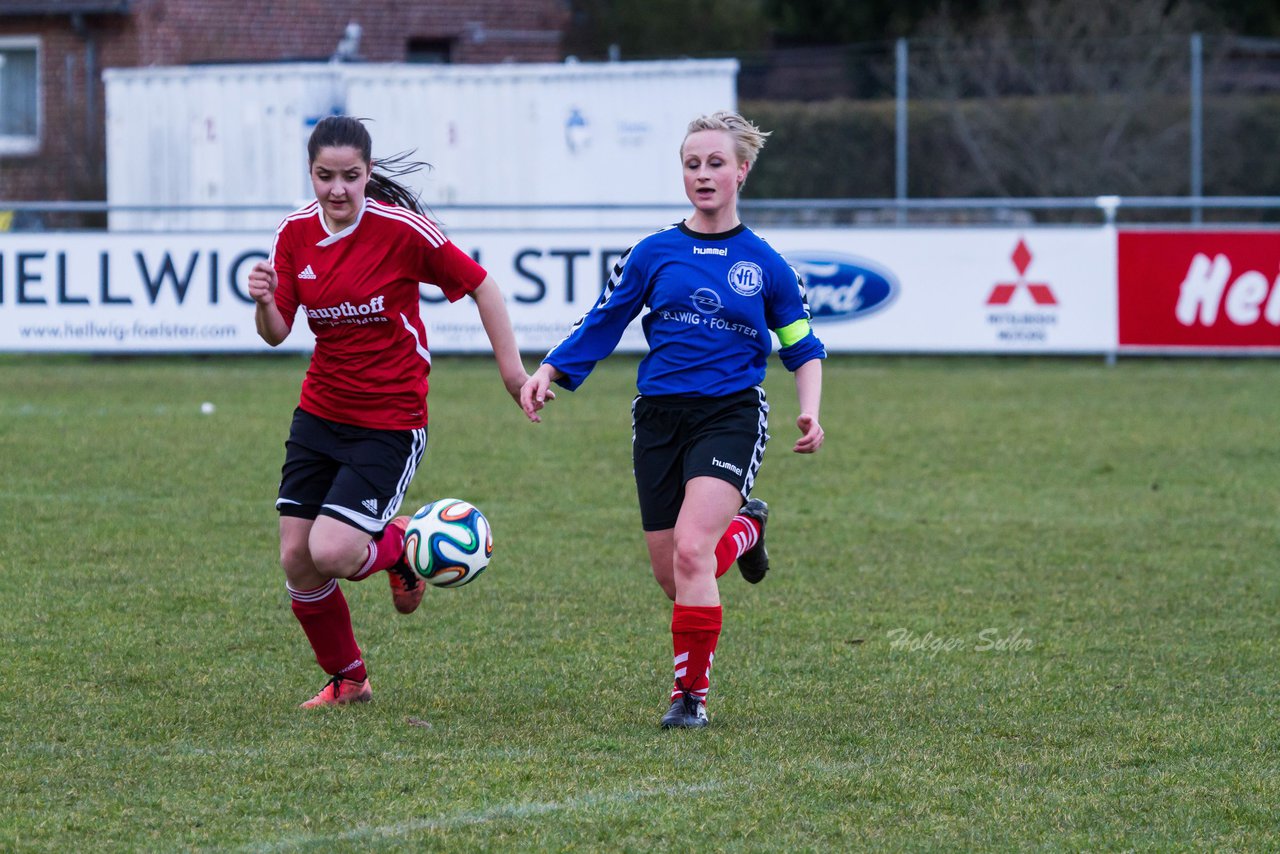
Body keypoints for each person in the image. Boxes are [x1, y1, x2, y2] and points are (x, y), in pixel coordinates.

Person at [520, 111, 826, 729]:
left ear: (742, 170)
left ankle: (689, 699)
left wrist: (809, 411)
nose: (704, 174)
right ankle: (746, 531)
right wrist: (549, 371)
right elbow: (604, 320)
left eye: (717, 163)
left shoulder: (767, 264)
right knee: (676, 575)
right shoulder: (653, 252)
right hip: (658, 417)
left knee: (691, 552)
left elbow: (802, 346)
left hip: (731, 413)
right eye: (693, 164)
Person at [248, 115, 533, 708]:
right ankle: (349, 680)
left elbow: (484, 287)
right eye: (325, 176)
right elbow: (277, 333)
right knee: (297, 559)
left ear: (368, 173)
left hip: (390, 419)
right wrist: (262, 300)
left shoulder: (401, 231)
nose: (337, 189)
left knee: (334, 551)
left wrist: (513, 376)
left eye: (351, 176)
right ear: (311, 174)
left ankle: (400, 545)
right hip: (319, 413)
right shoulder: (295, 235)